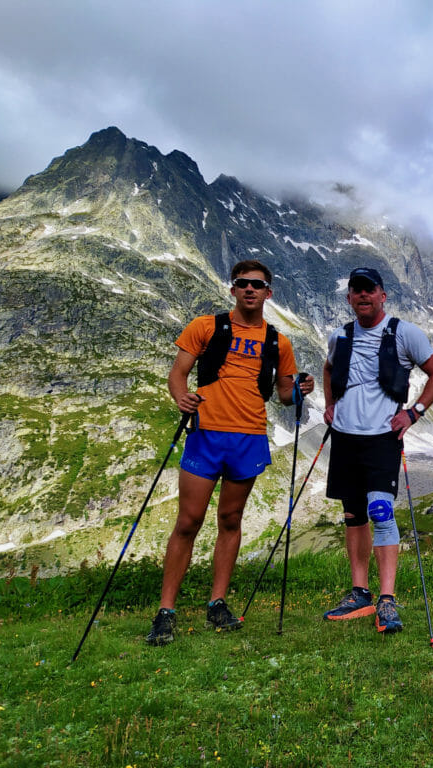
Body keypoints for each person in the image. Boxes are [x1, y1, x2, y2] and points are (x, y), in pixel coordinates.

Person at [146, 259, 314, 646]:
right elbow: (178, 374)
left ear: (268, 293)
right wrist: (180, 397)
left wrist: (300, 387)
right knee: (188, 521)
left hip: (249, 436)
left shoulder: (278, 341)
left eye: (257, 285)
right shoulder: (206, 326)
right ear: (233, 289)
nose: (250, 290)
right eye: (243, 283)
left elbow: (284, 396)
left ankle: (217, 604)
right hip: (206, 434)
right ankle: (165, 611)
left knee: (231, 519)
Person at [322, 266, 433, 633]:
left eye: (369, 290)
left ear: (382, 295)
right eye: (355, 291)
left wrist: (414, 413)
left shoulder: (405, 333)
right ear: (348, 298)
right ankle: (359, 592)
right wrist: (329, 406)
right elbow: (328, 369)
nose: (362, 296)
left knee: (380, 510)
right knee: (353, 515)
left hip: (382, 437)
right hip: (345, 436)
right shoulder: (340, 336)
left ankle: (387, 599)